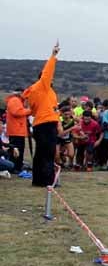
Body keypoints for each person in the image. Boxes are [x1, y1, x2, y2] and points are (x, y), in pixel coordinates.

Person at [21, 42, 61, 187]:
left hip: (43, 124)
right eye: (50, 78)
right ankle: (48, 181)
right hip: (46, 125)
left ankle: (38, 180)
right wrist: (53, 55)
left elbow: (46, 108)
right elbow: (47, 72)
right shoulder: (42, 87)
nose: (52, 80)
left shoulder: (46, 92)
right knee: (48, 153)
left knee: (41, 153)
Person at [4, 87, 30, 174]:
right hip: (16, 130)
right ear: (20, 93)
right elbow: (17, 112)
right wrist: (29, 111)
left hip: (17, 129)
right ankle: (15, 167)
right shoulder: (14, 100)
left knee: (18, 149)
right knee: (16, 150)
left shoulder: (16, 100)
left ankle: (17, 166)